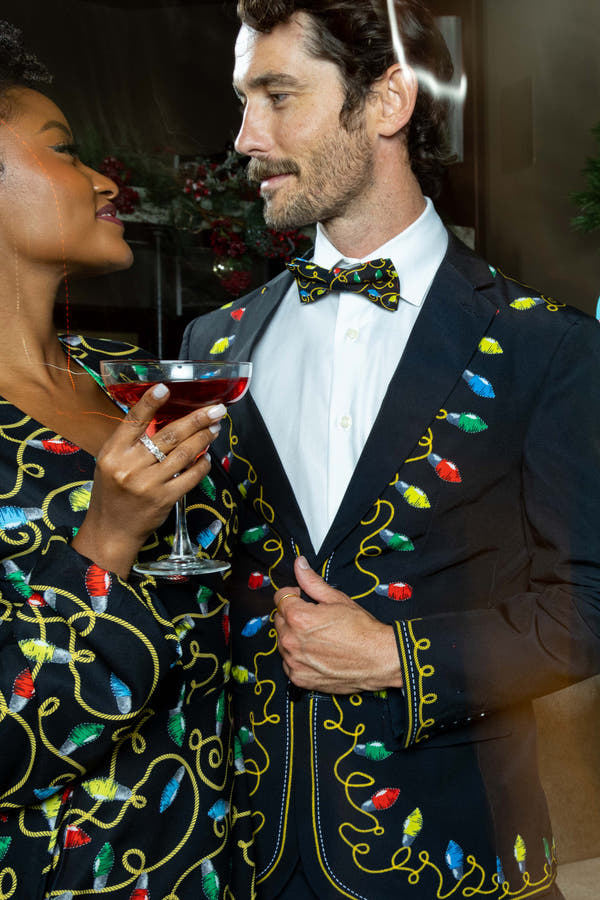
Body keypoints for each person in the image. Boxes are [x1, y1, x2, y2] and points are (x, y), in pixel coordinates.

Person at [181, 1, 600, 898]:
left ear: (388, 101)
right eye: (242, 100)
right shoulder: (215, 343)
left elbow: (589, 605)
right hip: (246, 855)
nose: (245, 137)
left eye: (278, 95)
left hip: (458, 852)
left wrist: (398, 656)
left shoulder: (547, 347)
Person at [0, 20, 254, 899]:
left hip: (216, 866)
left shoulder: (128, 392)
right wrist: (106, 542)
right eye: (65, 151)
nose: (108, 180)